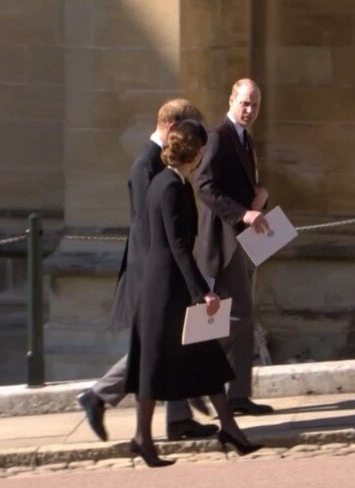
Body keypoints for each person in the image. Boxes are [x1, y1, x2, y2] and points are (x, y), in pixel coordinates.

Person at [77, 99, 217, 442]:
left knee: (175, 343)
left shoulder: (163, 164)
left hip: (169, 270)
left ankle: (178, 418)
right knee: (155, 348)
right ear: (171, 127)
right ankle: (99, 396)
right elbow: (147, 230)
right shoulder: (146, 166)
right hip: (153, 273)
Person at [125, 119, 262, 468]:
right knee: (153, 368)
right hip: (165, 291)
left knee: (207, 358)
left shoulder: (173, 182)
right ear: (194, 151)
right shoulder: (170, 186)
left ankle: (228, 428)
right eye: (201, 150)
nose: (203, 156)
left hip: (174, 288)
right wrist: (202, 292)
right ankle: (143, 438)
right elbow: (178, 248)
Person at [195, 78, 273, 415]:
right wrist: (243, 212)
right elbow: (205, 186)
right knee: (239, 312)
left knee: (243, 316)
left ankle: (239, 395)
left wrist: (259, 199)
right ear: (231, 100)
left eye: (254, 104)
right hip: (222, 241)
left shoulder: (245, 139)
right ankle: (195, 365)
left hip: (244, 239)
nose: (249, 110)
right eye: (244, 103)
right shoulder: (218, 136)